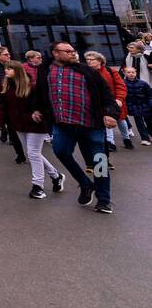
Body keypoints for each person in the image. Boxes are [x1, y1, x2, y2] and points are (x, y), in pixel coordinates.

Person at [32, 41, 118, 214]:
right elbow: (40, 92)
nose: (73, 54)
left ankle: (104, 200)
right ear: (56, 53)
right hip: (63, 124)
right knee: (61, 151)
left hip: (91, 125)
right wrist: (37, 109)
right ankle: (85, 184)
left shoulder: (87, 71)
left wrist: (110, 113)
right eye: (68, 51)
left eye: (73, 51)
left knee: (99, 162)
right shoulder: (45, 70)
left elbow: (106, 93)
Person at [0, 60, 63, 199]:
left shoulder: (31, 87)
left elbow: (41, 104)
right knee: (33, 153)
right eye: (6, 68)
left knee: (33, 154)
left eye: (9, 69)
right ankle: (55, 175)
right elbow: (5, 108)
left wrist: (39, 115)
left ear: (17, 71)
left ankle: (38, 186)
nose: (6, 71)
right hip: (19, 124)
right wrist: (2, 122)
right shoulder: (7, 88)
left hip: (35, 124)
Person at [85, 51, 129, 151]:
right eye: (87, 60)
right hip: (99, 104)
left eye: (91, 60)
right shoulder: (87, 73)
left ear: (100, 61)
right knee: (106, 122)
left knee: (121, 121)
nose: (89, 62)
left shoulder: (110, 71)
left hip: (115, 101)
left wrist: (119, 99)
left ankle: (126, 139)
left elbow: (120, 86)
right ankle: (110, 142)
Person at [121, 65, 152, 145]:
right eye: (128, 72)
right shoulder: (123, 84)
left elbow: (150, 95)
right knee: (139, 123)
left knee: (149, 122)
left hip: (145, 106)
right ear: (125, 73)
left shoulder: (143, 83)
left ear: (136, 73)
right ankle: (145, 138)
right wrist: (128, 106)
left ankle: (150, 134)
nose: (131, 74)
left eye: (133, 72)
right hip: (133, 106)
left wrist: (150, 104)